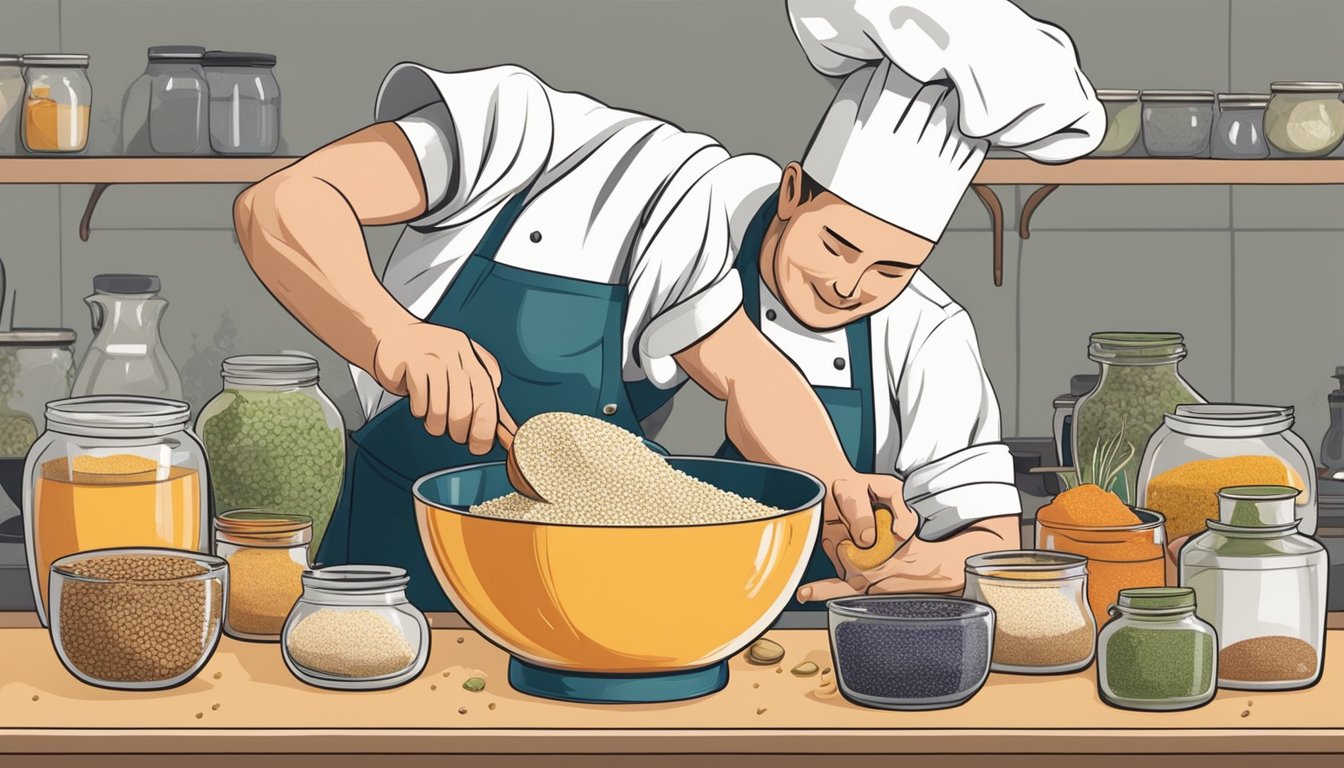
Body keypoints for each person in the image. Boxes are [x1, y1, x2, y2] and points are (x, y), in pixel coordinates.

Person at [233, 0, 1102, 611]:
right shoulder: (520, 130)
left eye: (891, 270)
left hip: (571, 601)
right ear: (788, 194)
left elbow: (748, 374)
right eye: (836, 247)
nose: (847, 287)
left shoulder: (700, 250)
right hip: (393, 578)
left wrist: (838, 484)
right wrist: (395, 336)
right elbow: (281, 205)